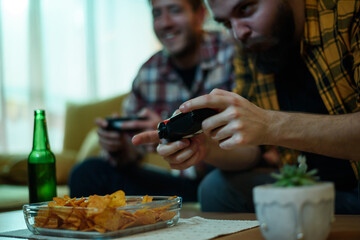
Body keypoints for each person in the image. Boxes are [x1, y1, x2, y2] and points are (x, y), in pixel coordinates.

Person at [132, 0, 360, 214]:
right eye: (225, 23)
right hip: (309, 187)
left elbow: (265, 128)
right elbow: (252, 149)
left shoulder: (347, 12)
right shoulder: (250, 48)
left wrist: (270, 125)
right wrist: (206, 148)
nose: (239, 33)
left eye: (246, 9)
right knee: (216, 188)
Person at [68, 0, 235, 202]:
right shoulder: (148, 72)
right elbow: (131, 157)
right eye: (157, 14)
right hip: (178, 184)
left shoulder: (231, 52)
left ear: (200, 14)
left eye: (174, 10)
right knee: (87, 172)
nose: (165, 23)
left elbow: (248, 138)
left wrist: (172, 131)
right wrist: (121, 147)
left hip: (223, 172)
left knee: (215, 182)